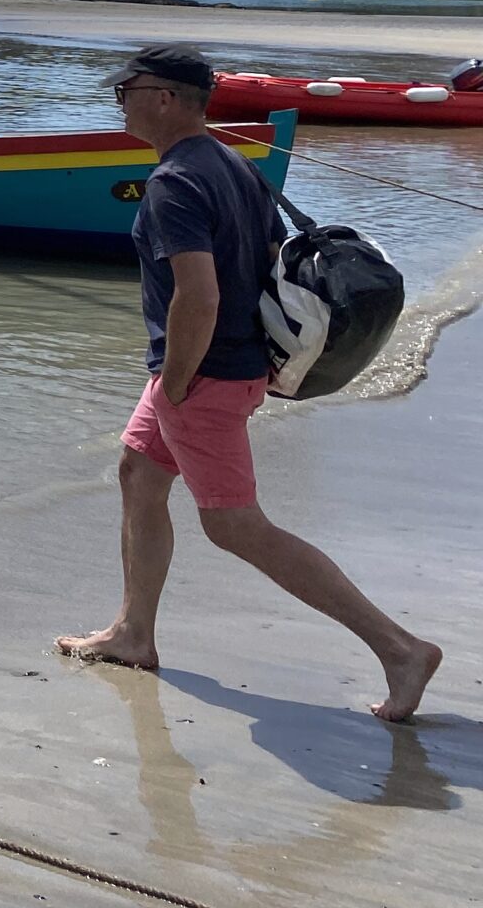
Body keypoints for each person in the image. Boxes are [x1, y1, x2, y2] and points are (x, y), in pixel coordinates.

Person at [57, 44, 441, 722]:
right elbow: (269, 262)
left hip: (201, 374)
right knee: (139, 473)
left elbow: (198, 296)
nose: (120, 103)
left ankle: (400, 649)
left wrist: (177, 383)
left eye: (127, 91)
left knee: (236, 526)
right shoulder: (235, 164)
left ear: (165, 98)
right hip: (224, 367)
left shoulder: (175, 181)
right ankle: (133, 633)